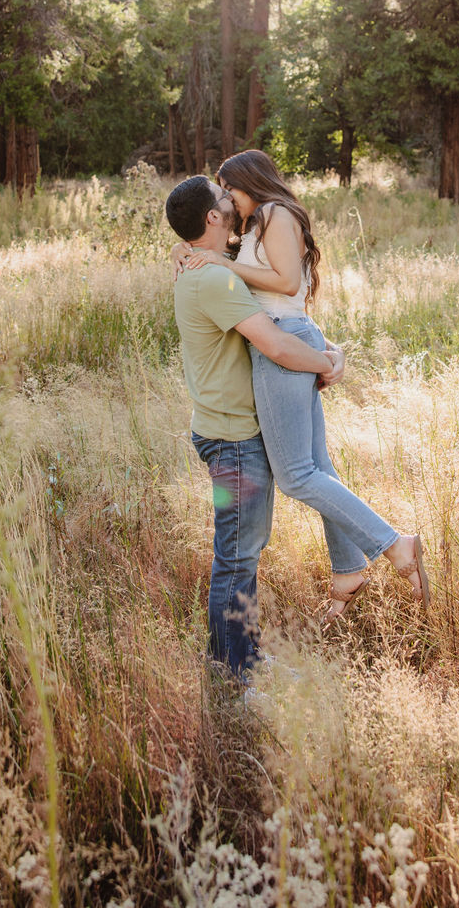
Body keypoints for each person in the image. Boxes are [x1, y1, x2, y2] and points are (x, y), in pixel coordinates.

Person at [175, 149, 429, 626]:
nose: (226, 199)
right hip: (291, 334)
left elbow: (287, 282)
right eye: (221, 194)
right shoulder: (257, 224)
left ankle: (396, 545)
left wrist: (221, 265)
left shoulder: (274, 212)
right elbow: (245, 268)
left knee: (295, 476)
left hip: (283, 343)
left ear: (249, 183)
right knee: (319, 467)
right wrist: (195, 252)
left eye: (229, 188)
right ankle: (349, 569)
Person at [165, 172, 346, 681]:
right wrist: (327, 362)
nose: (236, 206)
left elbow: (253, 256)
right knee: (237, 555)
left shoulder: (201, 266)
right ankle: (235, 673)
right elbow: (275, 344)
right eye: (226, 202)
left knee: (242, 550)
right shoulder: (214, 278)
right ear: (212, 219)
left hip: (228, 434)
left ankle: (241, 658)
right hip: (233, 443)